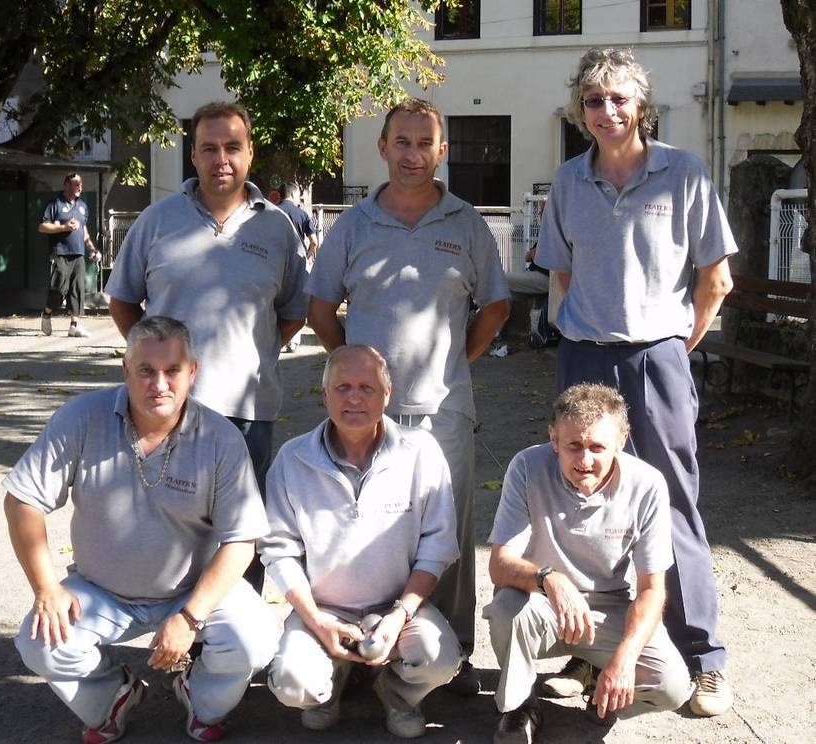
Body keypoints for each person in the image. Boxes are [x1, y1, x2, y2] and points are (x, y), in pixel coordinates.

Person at [533, 47, 736, 716]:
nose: (607, 110)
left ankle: (703, 659)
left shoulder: (685, 172)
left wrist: (676, 344)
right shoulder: (567, 179)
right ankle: (586, 651)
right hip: (584, 355)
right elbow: (559, 274)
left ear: (641, 106)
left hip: (656, 358)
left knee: (672, 505)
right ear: (580, 109)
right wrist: (578, 332)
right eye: (595, 100)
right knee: (578, 503)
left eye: (619, 98)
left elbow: (716, 279)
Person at [307, 99, 511, 693]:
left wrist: (454, 363)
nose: (413, 154)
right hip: (366, 416)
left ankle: (449, 653)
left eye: (425, 143)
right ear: (383, 147)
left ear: (442, 151)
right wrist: (355, 378)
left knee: (446, 533)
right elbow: (321, 309)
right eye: (402, 141)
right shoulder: (353, 224)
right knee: (360, 529)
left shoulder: (466, 223)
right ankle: (353, 649)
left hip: (443, 410)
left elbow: (495, 307)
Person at [5, 316, 278, 743]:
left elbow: (242, 540)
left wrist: (190, 617)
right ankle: (114, 695)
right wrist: (46, 589)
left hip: (191, 591)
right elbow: (23, 500)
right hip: (103, 590)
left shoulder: (222, 438)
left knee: (256, 640)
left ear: (193, 373)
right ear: (126, 370)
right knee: (39, 642)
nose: (160, 384)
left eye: (172, 371)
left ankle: (199, 694)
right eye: (146, 371)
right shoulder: (82, 417)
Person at [105, 102, 308, 591]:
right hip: (166, 407)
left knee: (242, 532)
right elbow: (123, 299)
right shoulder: (157, 222)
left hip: (247, 409)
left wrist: (250, 353)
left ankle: (235, 649)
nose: (222, 158)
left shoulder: (278, 228)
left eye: (232, 147)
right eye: (209, 148)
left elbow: (293, 311)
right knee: (166, 529)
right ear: (192, 157)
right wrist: (153, 366)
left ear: (250, 153)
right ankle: (171, 641)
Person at [260, 344, 463, 738]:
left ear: (387, 396)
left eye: (367, 388)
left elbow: (438, 547)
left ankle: (396, 693)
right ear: (325, 396)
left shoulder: (421, 453)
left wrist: (400, 614)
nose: (354, 397)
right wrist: (317, 620)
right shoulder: (292, 459)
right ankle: (330, 684)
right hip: (323, 609)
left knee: (441, 660)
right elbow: (279, 550)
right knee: (292, 685)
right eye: (343, 387)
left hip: (398, 607)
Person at [484, 383, 693, 743]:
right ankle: (521, 704)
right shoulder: (527, 467)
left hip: (608, 606)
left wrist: (625, 658)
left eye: (597, 447)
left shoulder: (647, 485)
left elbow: (651, 591)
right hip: (541, 603)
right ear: (553, 439)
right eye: (574, 446)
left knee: (672, 687)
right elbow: (500, 565)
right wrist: (549, 578)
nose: (584, 461)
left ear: (621, 442)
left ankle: (605, 689)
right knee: (506, 609)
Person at [38, 172, 99, 338]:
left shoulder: (82, 206)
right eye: (76, 183)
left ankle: (74, 325)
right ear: (66, 185)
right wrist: (64, 227)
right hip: (60, 252)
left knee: (77, 290)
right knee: (58, 289)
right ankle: (47, 313)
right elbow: (43, 227)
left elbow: (84, 230)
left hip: (78, 253)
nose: (80, 187)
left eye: (81, 184)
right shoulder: (55, 204)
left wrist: (92, 248)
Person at [276, 182, 319, 352]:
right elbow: (314, 241)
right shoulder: (302, 214)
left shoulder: (272, 213)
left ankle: (275, 340)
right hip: (297, 262)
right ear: (294, 195)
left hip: (276, 261)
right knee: (296, 302)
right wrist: (308, 255)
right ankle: (293, 341)